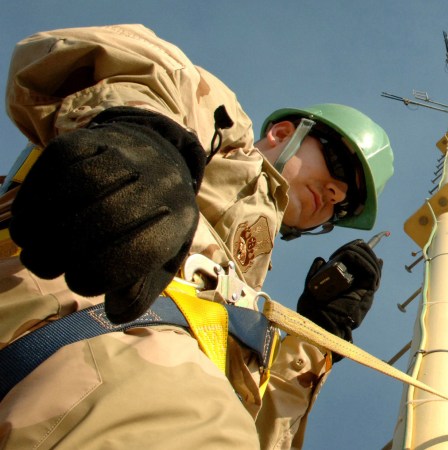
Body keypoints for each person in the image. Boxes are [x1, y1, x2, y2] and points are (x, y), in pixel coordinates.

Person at [0, 24, 394, 449]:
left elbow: (254, 432)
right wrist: (145, 137)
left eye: (345, 204)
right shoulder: (224, 137)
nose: (336, 194)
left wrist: (316, 335)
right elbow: (134, 64)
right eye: (338, 164)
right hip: (68, 344)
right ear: (283, 133)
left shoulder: (250, 302)